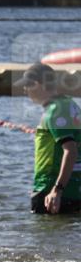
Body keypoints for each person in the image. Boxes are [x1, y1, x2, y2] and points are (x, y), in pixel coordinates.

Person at [13, 62, 80, 214]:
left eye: (28, 85)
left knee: (43, 236)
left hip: (50, 191)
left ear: (38, 84)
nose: (25, 90)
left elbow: (71, 150)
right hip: (73, 190)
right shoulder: (69, 105)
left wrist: (57, 189)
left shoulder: (55, 111)